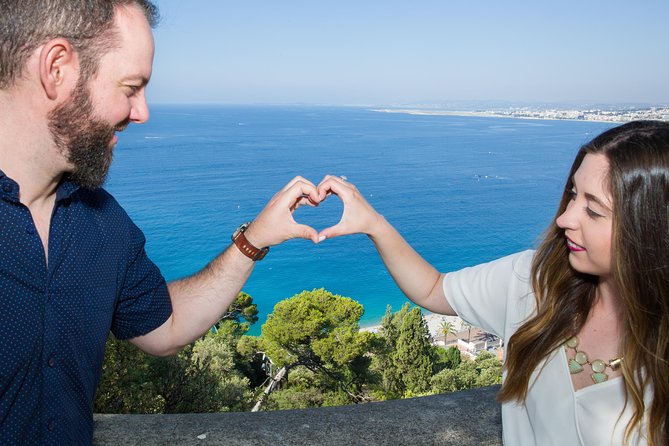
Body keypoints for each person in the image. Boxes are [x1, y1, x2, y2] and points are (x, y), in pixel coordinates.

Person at [0, 1, 322, 444]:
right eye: (131, 87)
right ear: (57, 68)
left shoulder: (101, 222)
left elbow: (164, 329)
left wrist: (256, 237)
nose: (142, 112)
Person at [315, 120, 669, 445]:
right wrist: (373, 224)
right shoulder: (532, 282)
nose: (564, 218)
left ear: (652, 228)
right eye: (573, 194)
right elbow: (433, 289)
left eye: (593, 210)